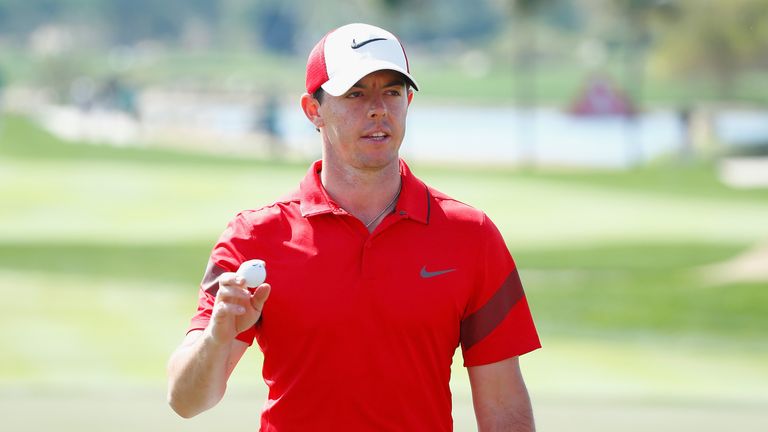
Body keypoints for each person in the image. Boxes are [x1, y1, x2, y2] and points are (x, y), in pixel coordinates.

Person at [167, 23, 541, 431]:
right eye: (355, 94)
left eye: (392, 92)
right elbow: (185, 401)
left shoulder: (471, 235)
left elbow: (504, 407)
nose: (378, 108)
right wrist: (216, 338)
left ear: (408, 102)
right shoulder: (252, 238)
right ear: (314, 110)